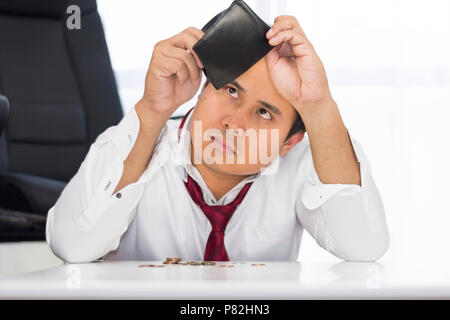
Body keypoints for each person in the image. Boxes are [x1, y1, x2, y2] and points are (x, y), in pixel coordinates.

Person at [46, 16, 389, 263]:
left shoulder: (301, 163)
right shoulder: (136, 147)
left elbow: (363, 248)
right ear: (202, 89)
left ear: (289, 142)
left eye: (264, 113)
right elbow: (71, 245)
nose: (234, 124)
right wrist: (153, 109)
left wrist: (319, 107)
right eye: (230, 90)